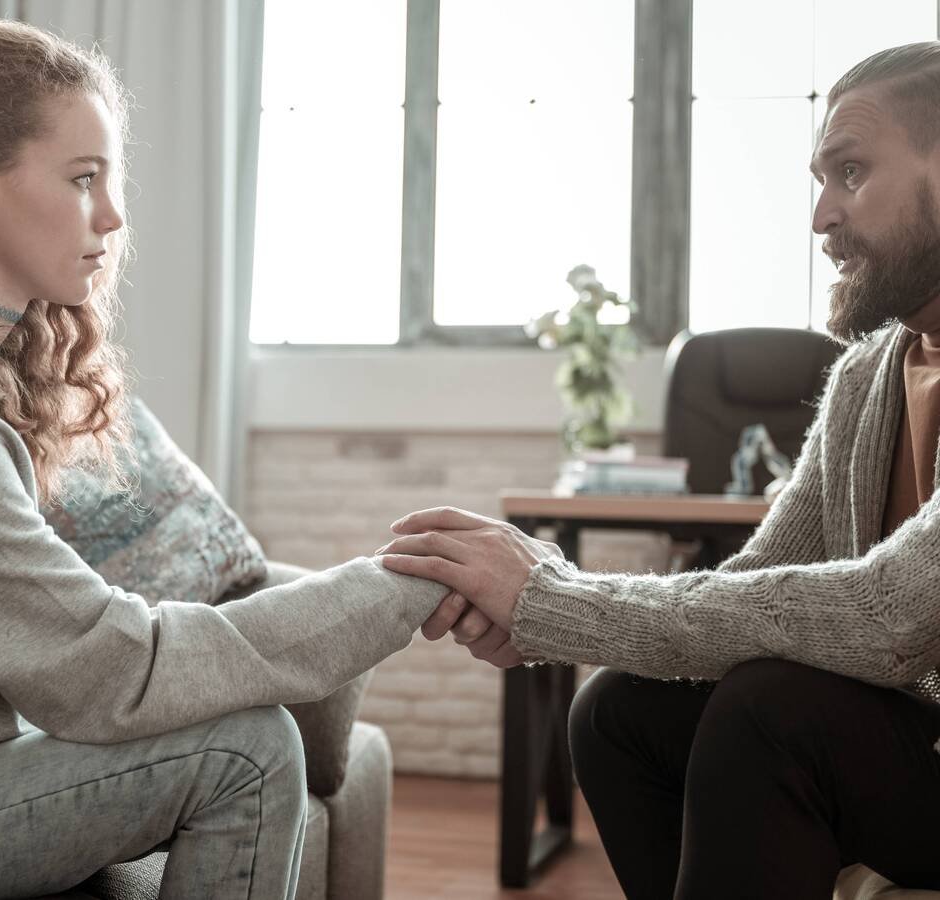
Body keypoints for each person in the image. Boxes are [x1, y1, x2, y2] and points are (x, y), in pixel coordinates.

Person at [0, 13, 450, 900]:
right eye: (83, 179)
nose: (112, 215)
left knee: (247, 736)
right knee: (247, 749)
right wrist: (398, 586)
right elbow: (115, 674)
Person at [379, 41, 940, 900]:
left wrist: (561, 603)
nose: (821, 216)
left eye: (852, 173)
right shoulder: (866, 378)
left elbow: (886, 617)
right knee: (619, 712)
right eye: (820, 180)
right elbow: (758, 582)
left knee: (769, 713)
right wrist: (557, 622)